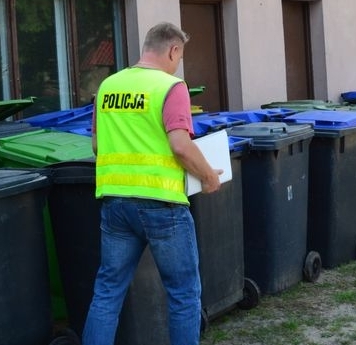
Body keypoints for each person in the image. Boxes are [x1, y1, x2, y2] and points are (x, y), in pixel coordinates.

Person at [83, 22, 222, 345]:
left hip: (115, 204)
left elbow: (95, 146)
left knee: (107, 292)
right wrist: (209, 175)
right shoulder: (170, 87)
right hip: (162, 207)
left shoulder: (108, 86)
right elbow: (180, 145)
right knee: (184, 294)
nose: (178, 63)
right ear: (173, 50)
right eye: (180, 56)